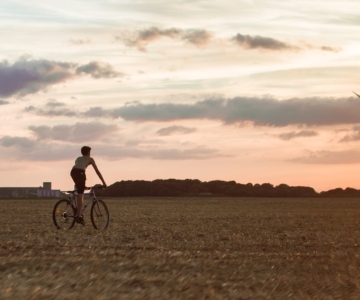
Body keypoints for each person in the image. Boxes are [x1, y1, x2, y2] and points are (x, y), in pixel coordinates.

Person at [70, 146, 107, 225]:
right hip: (80, 173)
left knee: (80, 189)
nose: (90, 154)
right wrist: (104, 183)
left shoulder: (78, 158)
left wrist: (83, 185)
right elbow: (97, 171)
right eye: (90, 152)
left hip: (73, 172)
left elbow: (78, 168)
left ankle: (77, 211)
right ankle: (79, 216)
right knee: (81, 194)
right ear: (88, 152)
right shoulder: (90, 159)